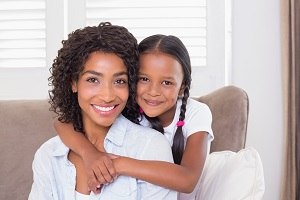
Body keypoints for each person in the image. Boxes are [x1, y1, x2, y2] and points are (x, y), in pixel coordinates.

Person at [55, 34, 214, 200]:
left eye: (166, 82)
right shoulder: (128, 106)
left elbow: (187, 180)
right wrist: (90, 154)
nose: (153, 92)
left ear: (182, 87)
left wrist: (117, 164)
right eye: (144, 79)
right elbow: (62, 122)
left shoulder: (196, 113)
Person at [28, 22, 177, 200]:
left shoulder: (149, 147)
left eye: (119, 81)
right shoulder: (49, 155)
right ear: (73, 83)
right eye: (93, 79)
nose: (107, 96)